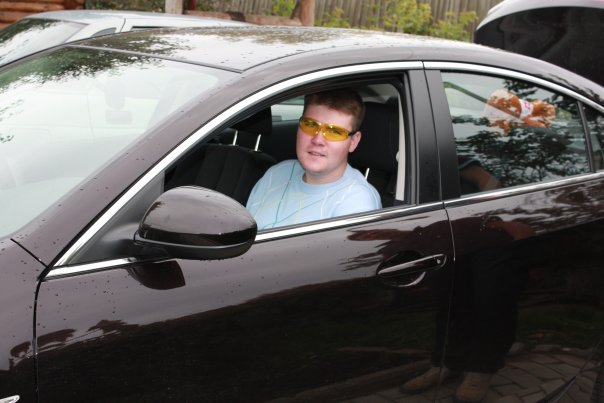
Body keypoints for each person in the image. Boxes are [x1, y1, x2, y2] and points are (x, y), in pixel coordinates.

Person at [246, 89, 381, 229]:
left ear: (353, 142)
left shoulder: (357, 203)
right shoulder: (276, 173)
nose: (318, 140)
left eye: (334, 132)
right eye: (310, 125)